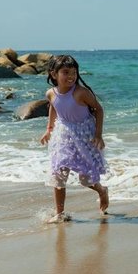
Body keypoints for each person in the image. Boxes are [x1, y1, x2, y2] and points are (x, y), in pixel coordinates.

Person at [39, 55, 109, 221]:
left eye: (74, 72)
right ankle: (60, 214)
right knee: (58, 174)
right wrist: (49, 128)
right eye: (66, 72)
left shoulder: (81, 93)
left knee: (86, 178)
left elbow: (98, 110)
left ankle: (102, 190)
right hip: (62, 135)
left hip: (84, 135)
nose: (71, 76)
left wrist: (98, 134)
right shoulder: (50, 93)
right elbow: (54, 107)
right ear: (54, 74)